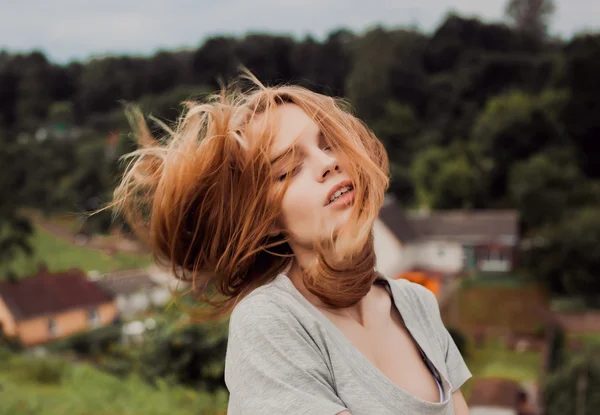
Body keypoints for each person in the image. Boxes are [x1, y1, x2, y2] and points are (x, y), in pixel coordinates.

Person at [111, 73, 472, 415]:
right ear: (267, 222)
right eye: (286, 170)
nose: (328, 163)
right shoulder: (270, 321)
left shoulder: (418, 304)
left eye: (329, 145)